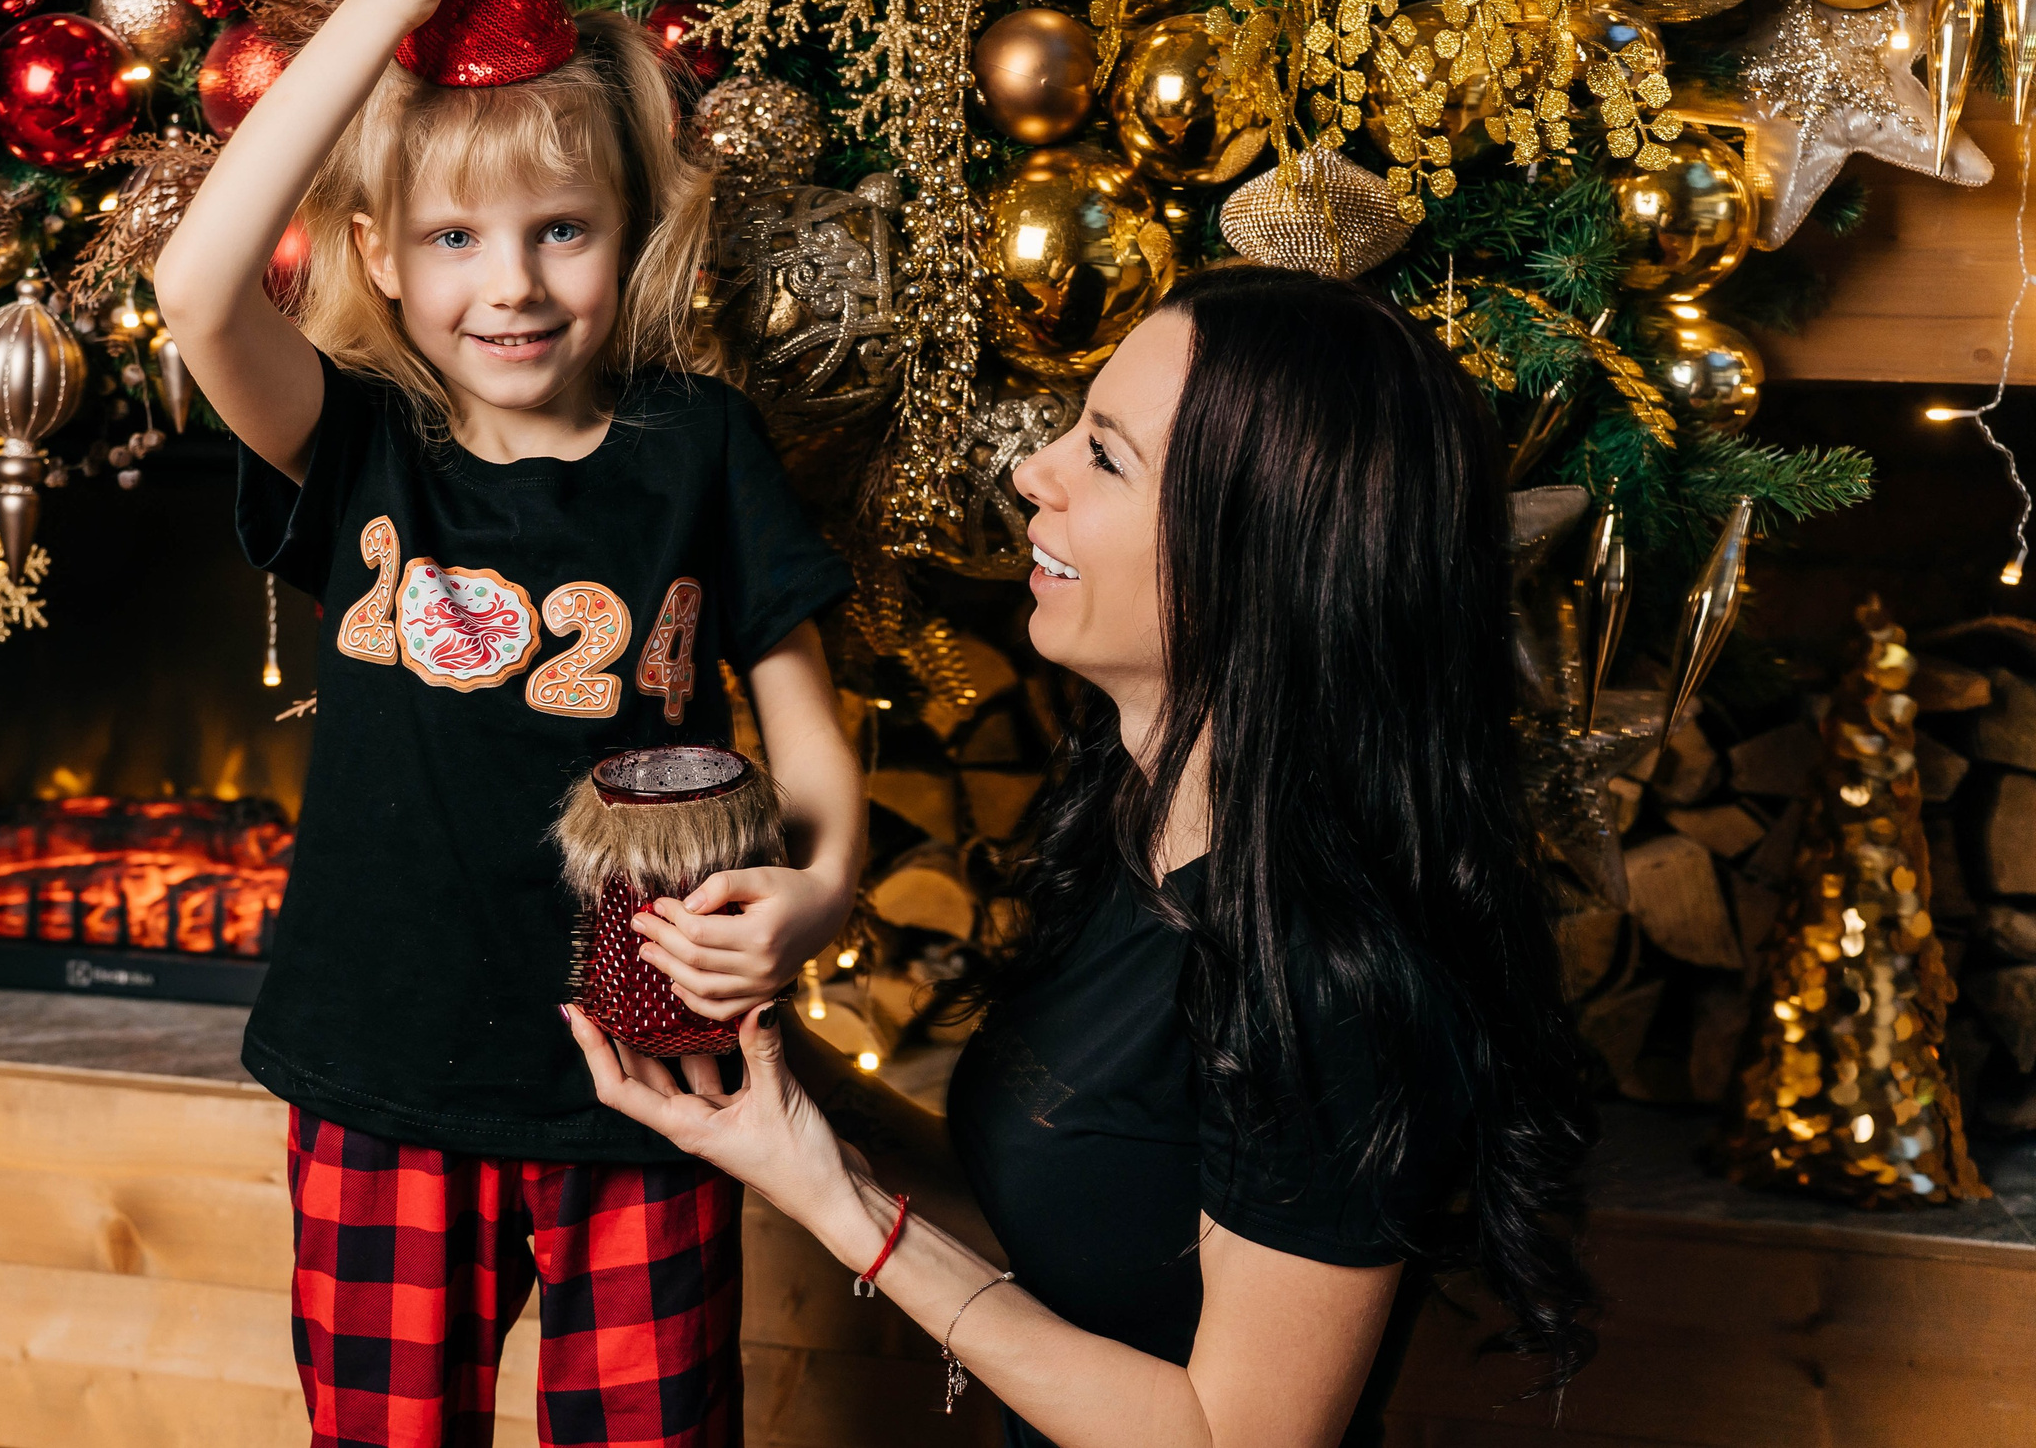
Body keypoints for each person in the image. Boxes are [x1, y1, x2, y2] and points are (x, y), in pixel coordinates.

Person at [572, 267, 1601, 1448]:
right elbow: (1067, 1196)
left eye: (1105, 457)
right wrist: (769, 1068)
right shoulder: (1138, 826)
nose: (1029, 472)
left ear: (1253, 559)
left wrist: (840, 1205)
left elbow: (1231, 1439)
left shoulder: (1327, 978)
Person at [150, 0, 866, 1443]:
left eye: (562, 228)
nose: (516, 284)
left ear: (628, 232)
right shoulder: (362, 446)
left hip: (648, 1085)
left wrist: (822, 893)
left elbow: (812, 742)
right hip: (379, 1081)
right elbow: (196, 287)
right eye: (459, 241)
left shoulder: (703, 451)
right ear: (383, 256)